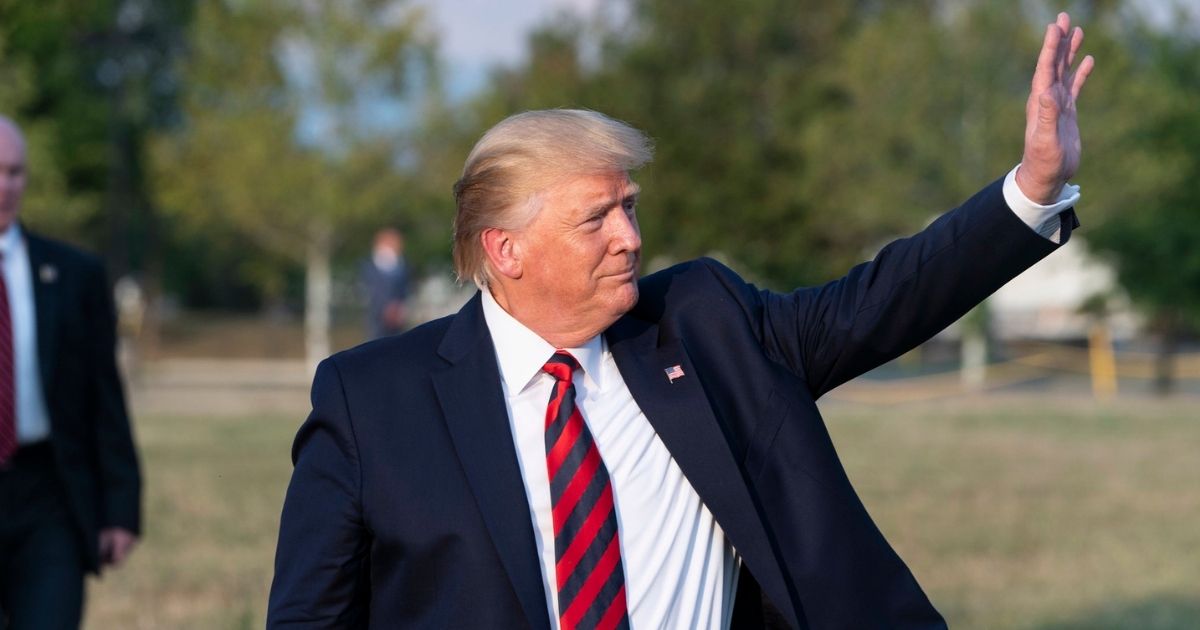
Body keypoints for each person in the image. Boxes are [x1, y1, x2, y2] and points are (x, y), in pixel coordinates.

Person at [269, 13, 1094, 629]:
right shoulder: (373, 402)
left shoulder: (705, 326)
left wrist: (1032, 186)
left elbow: (881, 302)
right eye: (597, 219)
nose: (632, 237)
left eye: (630, 207)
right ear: (506, 250)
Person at [0, 117, 141, 629]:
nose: (5, 186)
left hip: (49, 495)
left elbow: (103, 395)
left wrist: (121, 507)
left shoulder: (73, 274)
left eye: (15, 172)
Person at [361, 227, 410, 339]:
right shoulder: (368, 267)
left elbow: (404, 291)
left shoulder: (403, 265)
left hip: (396, 323)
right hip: (376, 322)